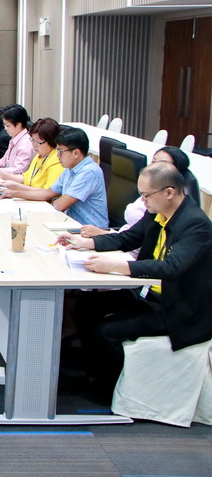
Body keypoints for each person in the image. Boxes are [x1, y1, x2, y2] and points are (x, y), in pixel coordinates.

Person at [59, 162, 212, 395]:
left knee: (106, 331)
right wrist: (86, 243)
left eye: (146, 195)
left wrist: (116, 266)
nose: (143, 201)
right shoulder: (158, 214)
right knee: (86, 306)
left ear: (169, 192)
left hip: (176, 308)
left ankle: (108, 390)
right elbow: (127, 238)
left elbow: (171, 267)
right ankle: (93, 370)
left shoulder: (195, 224)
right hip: (148, 294)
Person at [80, 146, 198, 238]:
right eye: (153, 162)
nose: (153, 167)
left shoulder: (164, 210)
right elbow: (131, 238)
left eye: (161, 164)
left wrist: (103, 235)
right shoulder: (153, 207)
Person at [5, 127, 108, 227]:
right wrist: (13, 193)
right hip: (70, 223)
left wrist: (51, 200)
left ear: (76, 153)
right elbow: (48, 193)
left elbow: (61, 205)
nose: (57, 156)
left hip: (90, 230)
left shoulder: (89, 172)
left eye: (60, 152)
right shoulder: (70, 168)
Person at [0, 118, 65, 192]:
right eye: (32, 140)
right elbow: (25, 178)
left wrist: (17, 187)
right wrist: (2, 174)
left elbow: (48, 192)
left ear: (51, 141)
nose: (34, 145)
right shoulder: (39, 156)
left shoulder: (57, 160)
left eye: (38, 142)